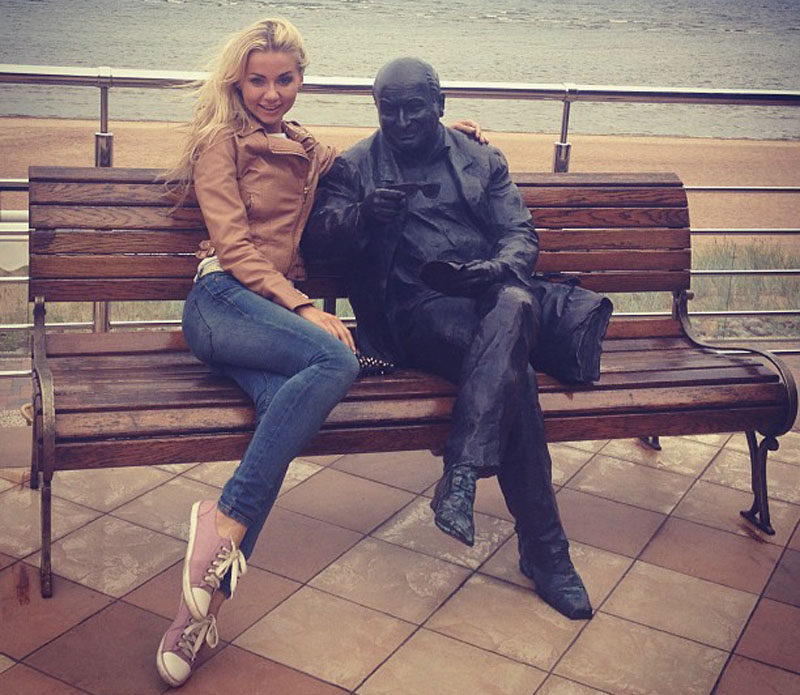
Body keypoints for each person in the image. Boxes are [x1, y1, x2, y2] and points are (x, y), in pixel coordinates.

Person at [155, 21, 486, 687]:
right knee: (337, 361)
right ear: (237, 82)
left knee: (280, 414)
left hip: (265, 321)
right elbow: (234, 248)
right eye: (257, 80)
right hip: (221, 301)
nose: (271, 93)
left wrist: (448, 132)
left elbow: (369, 157)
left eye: (284, 79)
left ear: (300, 79)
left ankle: (197, 612)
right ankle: (220, 521)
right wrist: (305, 307)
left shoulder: (307, 148)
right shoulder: (220, 143)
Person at [304, 57, 593, 622]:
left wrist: (494, 269)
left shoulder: (481, 158)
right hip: (415, 317)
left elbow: (519, 234)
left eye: (415, 108)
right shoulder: (355, 167)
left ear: (439, 104)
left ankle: (463, 475)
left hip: (489, 296)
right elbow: (317, 240)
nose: (403, 121)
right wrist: (363, 214)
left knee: (513, 306)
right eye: (390, 110)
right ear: (376, 109)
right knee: (515, 372)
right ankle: (546, 553)